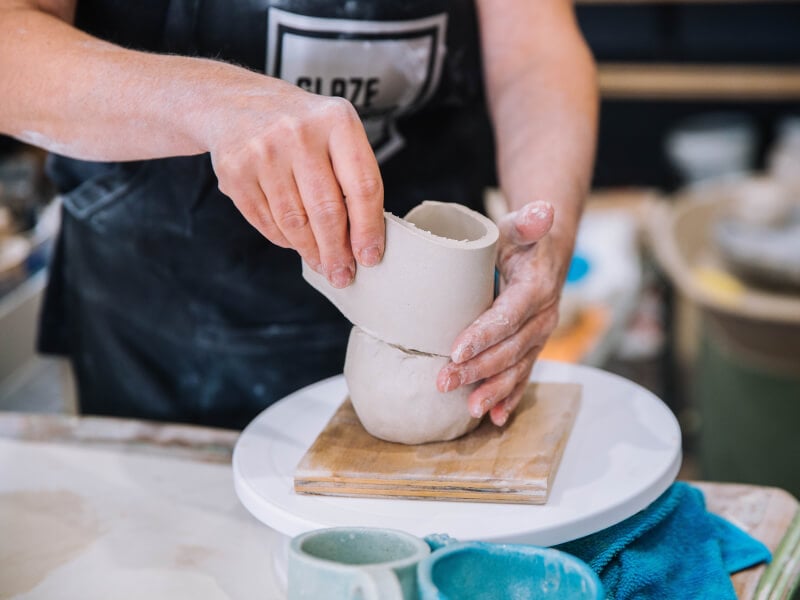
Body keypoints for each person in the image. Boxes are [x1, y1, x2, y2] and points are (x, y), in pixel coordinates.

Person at [0, 0, 597, 430]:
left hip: (438, 309)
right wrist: (209, 102)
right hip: (160, 321)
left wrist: (545, 240)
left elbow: (534, 51)